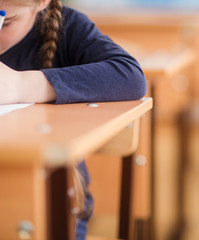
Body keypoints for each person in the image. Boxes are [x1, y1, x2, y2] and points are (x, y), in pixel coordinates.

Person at [0, 0, 147, 239]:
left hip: (53, 209)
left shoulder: (67, 27)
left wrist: (20, 85)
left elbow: (130, 76)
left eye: (5, 21)